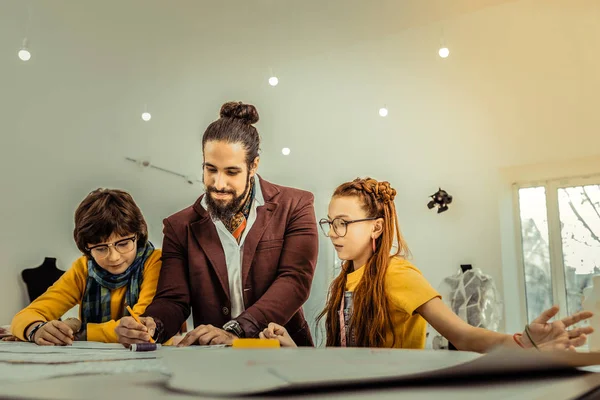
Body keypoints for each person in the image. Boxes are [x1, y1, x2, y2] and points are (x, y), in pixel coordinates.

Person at [260, 177, 593, 351]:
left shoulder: (397, 273)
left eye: (344, 222)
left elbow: (462, 336)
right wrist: (291, 349)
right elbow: (343, 357)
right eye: (330, 223)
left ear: (376, 226)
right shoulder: (344, 280)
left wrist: (522, 343)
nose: (333, 233)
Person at [115, 101, 318, 347]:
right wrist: (152, 324)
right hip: (213, 358)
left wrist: (237, 330)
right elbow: (173, 299)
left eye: (231, 172)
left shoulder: (295, 205)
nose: (218, 184)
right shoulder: (179, 226)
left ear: (253, 165)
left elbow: (294, 280)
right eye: (210, 169)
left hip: (284, 352)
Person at [10, 189, 162, 345]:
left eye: (123, 244)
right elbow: (26, 316)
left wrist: (80, 331)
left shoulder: (155, 261)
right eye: (101, 248)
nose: (114, 257)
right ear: (86, 248)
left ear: (138, 235)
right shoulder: (83, 268)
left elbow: (140, 328)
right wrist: (36, 330)